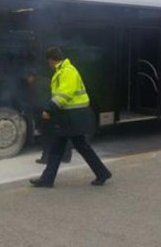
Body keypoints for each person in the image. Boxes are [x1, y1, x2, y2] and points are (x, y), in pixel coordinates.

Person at [30, 47, 112, 188]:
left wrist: (49, 110)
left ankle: (48, 180)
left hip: (73, 117)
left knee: (73, 148)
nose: (48, 64)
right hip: (70, 117)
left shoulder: (67, 72)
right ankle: (48, 179)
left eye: (48, 62)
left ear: (52, 60)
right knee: (64, 148)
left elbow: (63, 96)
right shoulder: (62, 71)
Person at [25, 70, 72, 164]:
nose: (27, 82)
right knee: (59, 134)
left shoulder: (36, 85)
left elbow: (39, 101)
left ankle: (46, 158)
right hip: (57, 110)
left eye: (27, 79)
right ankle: (66, 156)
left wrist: (39, 113)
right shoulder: (47, 80)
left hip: (46, 113)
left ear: (30, 77)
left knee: (46, 137)